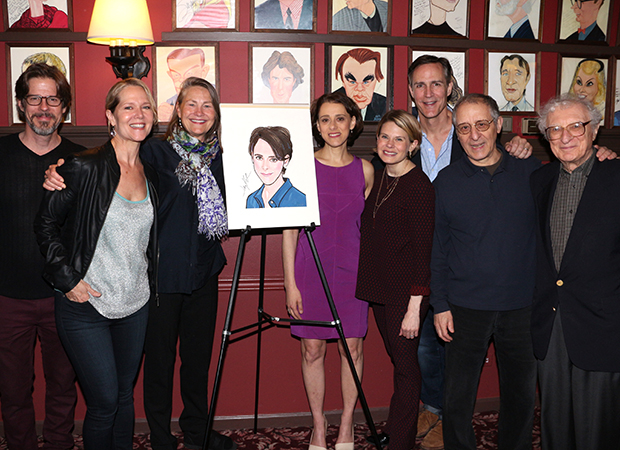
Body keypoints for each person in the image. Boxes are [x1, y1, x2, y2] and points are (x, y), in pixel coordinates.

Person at [44, 77, 232, 450]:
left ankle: (197, 431)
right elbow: (105, 161)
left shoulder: (226, 160)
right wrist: (57, 169)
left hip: (202, 272)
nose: (198, 112)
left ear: (216, 114)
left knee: (196, 365)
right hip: (159, 279)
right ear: (177, 111)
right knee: (155, 369)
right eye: (190, 104)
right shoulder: (155, 154)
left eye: (207, 105)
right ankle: (161, 438)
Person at [366, 55, 532, 450]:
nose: (428, 93)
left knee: (460, 361)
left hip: (481, 279)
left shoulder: (493, 148)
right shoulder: (401, 136)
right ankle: (433, 412)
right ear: (410, 91)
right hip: (423, 274)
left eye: (436, 84)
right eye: (420, 86)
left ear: (449, 85)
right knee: (424, 353)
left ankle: (438, 414)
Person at [34, 78, 159, 449]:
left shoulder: (151, 172)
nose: (139, 115)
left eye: (146, 107)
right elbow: (45, 224)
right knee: (104, 402)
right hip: (85, 305)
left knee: (123, 398)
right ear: (110, 116)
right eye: (128, 107)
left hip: (134, 302)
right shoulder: (82, 167)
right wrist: (68, 279)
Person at [431, 93, 540, 450]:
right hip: (464, 307)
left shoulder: (531, 172)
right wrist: (441, 304)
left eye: (481, 125)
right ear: (457, 135)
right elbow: (438, 249)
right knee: (457, 398)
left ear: (498, 125)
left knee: (521, 395)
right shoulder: (445, 183)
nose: (474, 136)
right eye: (464, 128)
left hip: (522, 305)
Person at [282, 92, 374, 450]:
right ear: (316, 126)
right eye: (325, 119)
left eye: (340, 118)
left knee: (352, 350)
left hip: (353, 273)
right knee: (311, 351)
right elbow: (289, 230)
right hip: (310, 272)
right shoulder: (301, 168)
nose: (332, 126)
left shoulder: (366, 170)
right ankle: (318, 426)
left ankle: (347, 424)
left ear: (352, 122)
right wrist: (290, 283)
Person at [532, 94, 620, 449]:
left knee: (598, 431)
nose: (565, 136)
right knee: (555, 426)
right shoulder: (538, 182)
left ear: (595, 129)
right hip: (551, 323)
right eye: (555, 129)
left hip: (603, 324)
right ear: (546, 137)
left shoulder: (616, 175)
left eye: (575, 126)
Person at [0, 63, 81, 450]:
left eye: (53, 99)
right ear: (21, 104)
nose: (44, 107)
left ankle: (60, 444)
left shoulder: (83, 160)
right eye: (35, 98)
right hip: (7, 297)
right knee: (13, 390)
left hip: (63, 299)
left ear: (64, 107)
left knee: (64, 385)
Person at [356, 110, 435, 450]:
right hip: (382, 288)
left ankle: (401, 441)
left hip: (406, 295)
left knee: (405, 367)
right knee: (398, 361)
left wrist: (415, 307)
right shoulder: (381, 177)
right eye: (385, 137)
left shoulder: (419, 187)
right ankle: (397, 429)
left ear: (413, 145)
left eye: (399, 139)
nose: (390, 145)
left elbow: (424, 252)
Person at [246, 126, 306, 208]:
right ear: (252, 157)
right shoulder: (251, 200)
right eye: (259, 158)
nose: (265, 166)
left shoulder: (300, 200)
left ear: (286, 160)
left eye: (273, 159)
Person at [158, 48, 211, 122]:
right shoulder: (171, 102)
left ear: (204, 71)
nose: (182, 81)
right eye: (176, 75)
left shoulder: (215, 95)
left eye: (189, 74)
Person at [334, 48, 386, 122]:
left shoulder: (384, 105)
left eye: (366, 82)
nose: (359, 88)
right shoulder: (331, 104)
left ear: (376, 80)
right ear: (342, 81)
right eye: (352, 82)